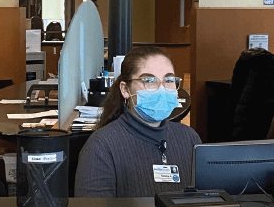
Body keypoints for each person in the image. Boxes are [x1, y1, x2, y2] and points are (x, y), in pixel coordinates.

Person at [75, 46, 201, 197]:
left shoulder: (189, 138)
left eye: (168, 80)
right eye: (149, 80)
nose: (161, 89)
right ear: (126, 90)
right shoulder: (101, 146)